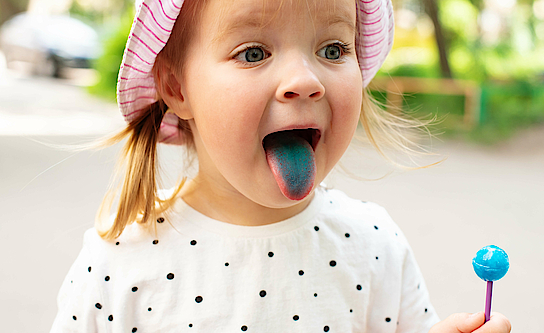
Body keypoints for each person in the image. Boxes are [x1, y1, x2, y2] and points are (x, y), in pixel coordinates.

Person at [51, 0, 512, 332]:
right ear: (176, 85)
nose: (304, 81)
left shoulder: (374, 247)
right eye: (253, 53)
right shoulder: (115, 267)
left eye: (333, 49)